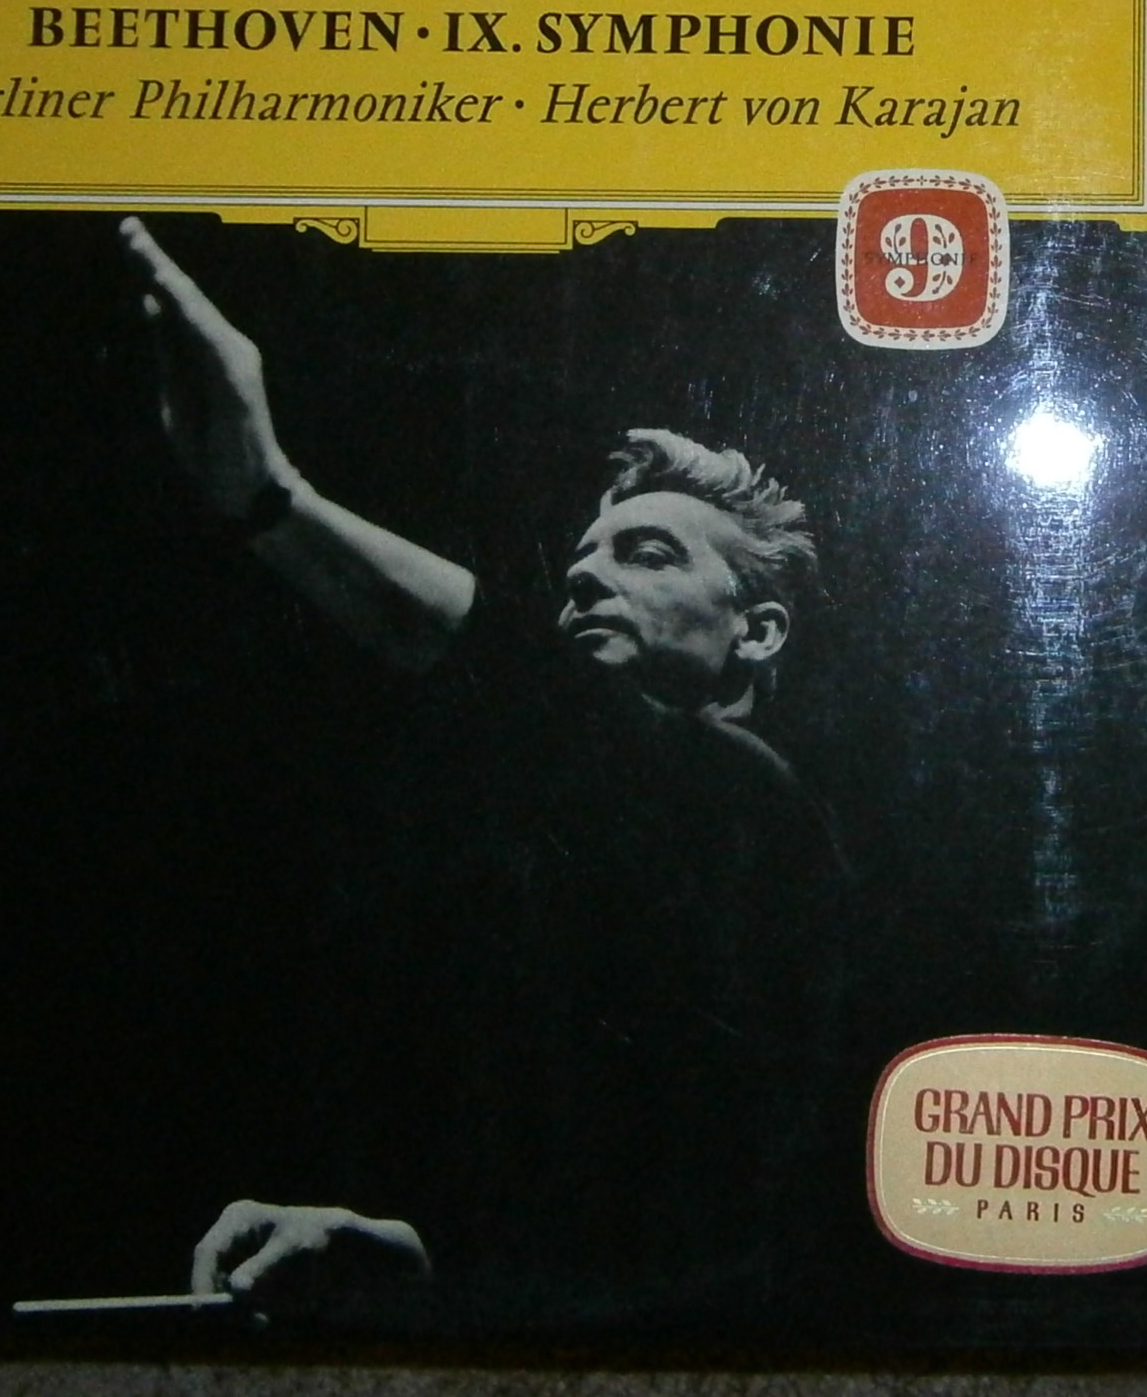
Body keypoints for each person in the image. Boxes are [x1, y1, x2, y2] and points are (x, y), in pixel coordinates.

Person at [119, 219, 851, 1330]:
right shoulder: (548, 880)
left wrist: (271, 495)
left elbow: (515, 676)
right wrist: (402, 1250)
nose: (586, 582)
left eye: (649, 553)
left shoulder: (760, 807)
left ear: (755, 630)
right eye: (579, 565)